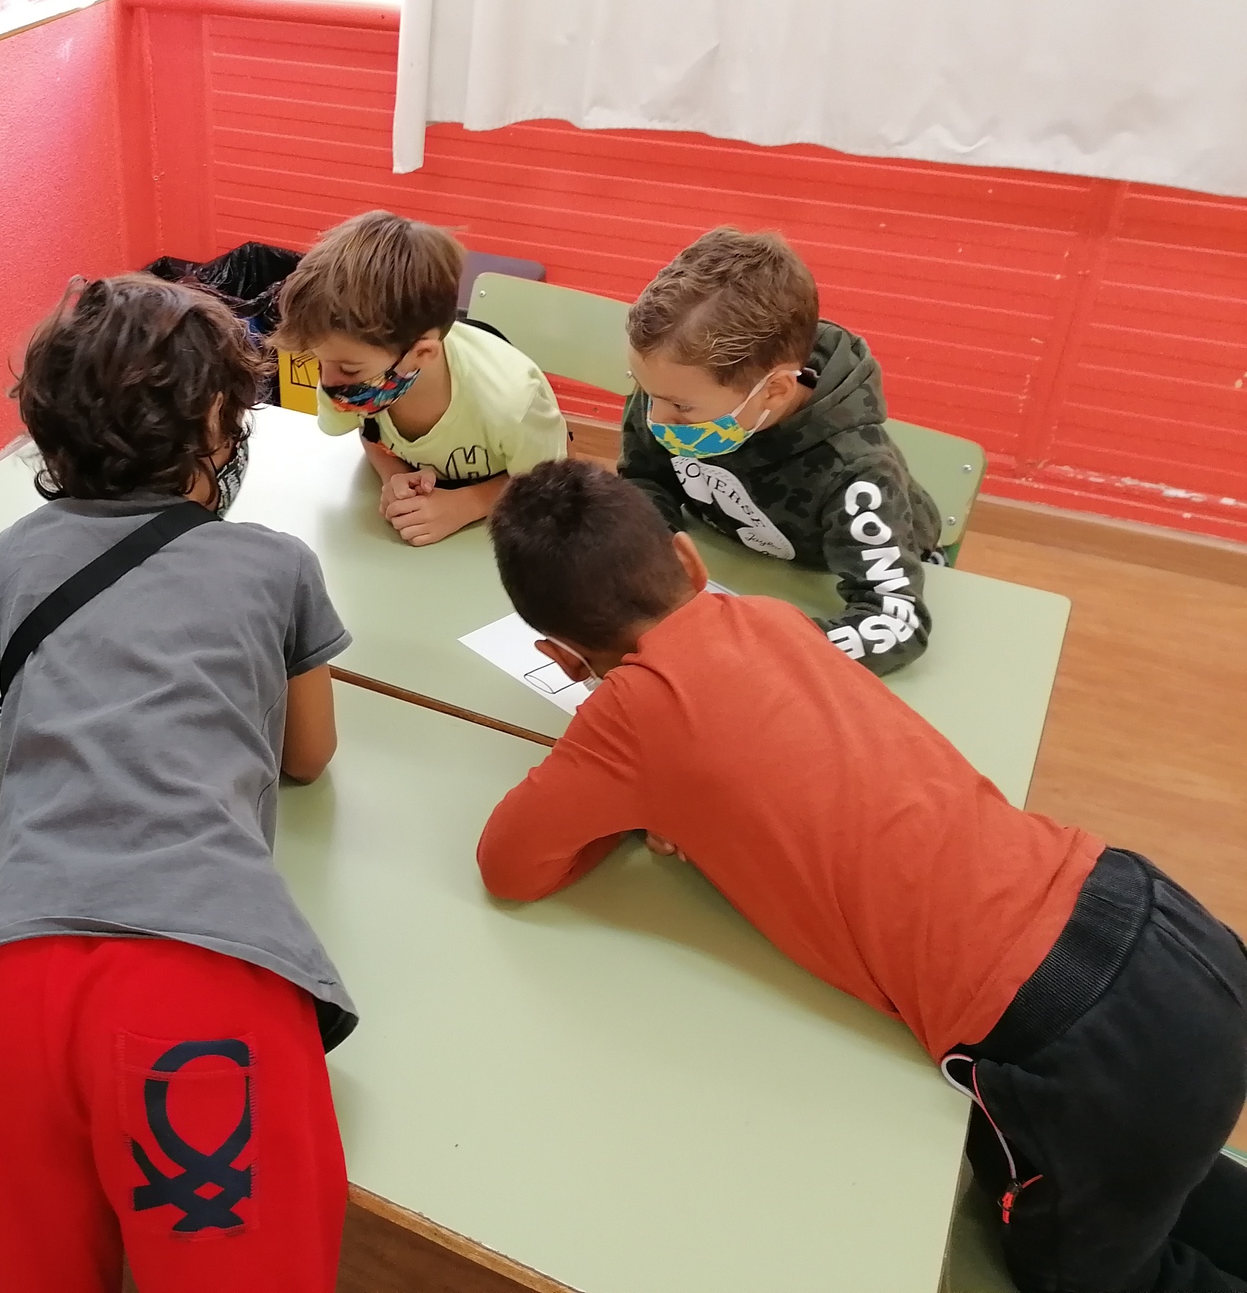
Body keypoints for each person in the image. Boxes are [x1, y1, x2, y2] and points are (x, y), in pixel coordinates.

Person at [477, 460, 1247, 1293]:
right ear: (690, 563)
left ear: (560, 656)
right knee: (1170, 1168)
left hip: (1067, 1044)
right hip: (1161, 922)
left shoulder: (626, 714)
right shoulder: (770, 617)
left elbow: (509, 865)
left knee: (1093, 1272)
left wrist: (635, 806)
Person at [0, 274, 353, 1292]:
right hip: (202, 964)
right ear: (219, 425)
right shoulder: (276, 565)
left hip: (16, 972)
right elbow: (307, 755)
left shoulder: (13, 555)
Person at [618, 227, 941, 673]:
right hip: (737, 566)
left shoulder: (856, 472)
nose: (655, 417)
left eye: (681, 407)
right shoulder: (673, 389)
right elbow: (645, 480)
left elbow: (896, 621)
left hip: (840, 573)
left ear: (774, 390)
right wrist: (650, 562)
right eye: (644, 390)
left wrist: (760, 656)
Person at [274, 211, 567, 546]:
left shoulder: (514, 403)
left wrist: (468, 504)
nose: (328, 382)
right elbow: (369, 430)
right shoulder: (349, 371)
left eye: (349, 369)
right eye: (318, 361)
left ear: (422, 354)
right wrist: (394, 475)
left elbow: (547, 487)